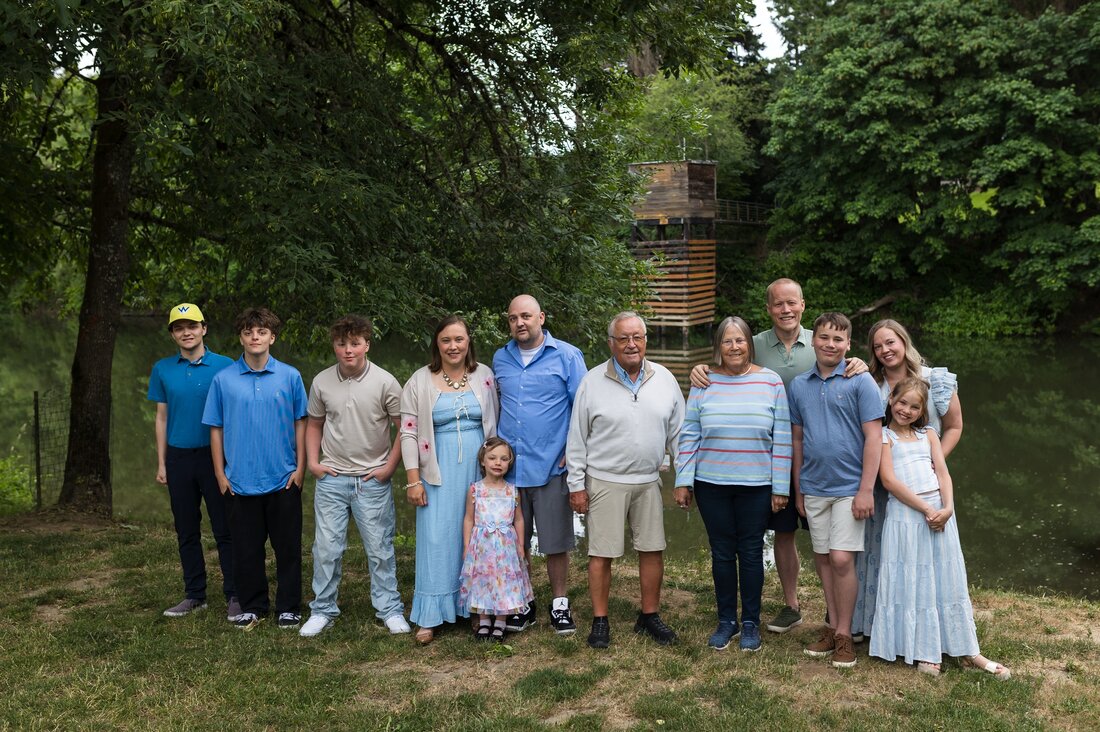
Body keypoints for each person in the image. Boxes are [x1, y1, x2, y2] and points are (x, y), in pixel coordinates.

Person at [689, 278, 866, 635]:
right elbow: (727, 363)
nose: (786, 310)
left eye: (792, 303)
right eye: (778, 304)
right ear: (768, 308)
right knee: (783, 533)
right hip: (772, 458)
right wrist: (700, 368)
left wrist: (860, 363)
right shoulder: (752, 344)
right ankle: (791, 605)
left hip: (821, 458)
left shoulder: (820, 342)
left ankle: (837, 612)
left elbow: (844, 366)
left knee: (833, 541)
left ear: (803, 305)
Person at [870, 378, 1010, 679]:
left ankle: (967, 649)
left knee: (947, 578)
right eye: (902, 402)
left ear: (922, 411)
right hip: (907, 515)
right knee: (915, 577)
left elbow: (943, 474)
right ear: (891, 400)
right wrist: (926, 509)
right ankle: (926, 649)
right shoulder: (883, 437)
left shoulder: (929, 434)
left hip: (940, 513)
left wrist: (947, 508)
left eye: (914, 406)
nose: (906, 410)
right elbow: (889, 481)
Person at [566, 312, 685, 649]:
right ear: (611, 344)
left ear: (646, 340)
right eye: (623, 338)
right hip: (605, 479)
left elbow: (680, 434)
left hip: (648, 481)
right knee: (601, 554)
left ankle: (649, 615)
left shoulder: (664, 378)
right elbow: (577, 438)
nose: (631, 344)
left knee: (652, 549)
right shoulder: (591, 382)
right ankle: (600, 620)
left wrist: (684, 478)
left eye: (638, 337)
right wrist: (576, 486)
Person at [674, 316, 791, 653]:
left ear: (749, 345)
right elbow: (690, 434)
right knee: (722, 552)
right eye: (727, 341)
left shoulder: (771, 382)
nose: (734, 346)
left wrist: (780, 487)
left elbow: (783, 437)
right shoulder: (704, 381)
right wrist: (683, 480)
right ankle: (727, 620)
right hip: (711, 483)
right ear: (718, 347)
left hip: (757, 484)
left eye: (740, 340)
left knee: (751, 552)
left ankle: (751, 622)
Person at [852, 319, 964, 642]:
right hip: (882, 485)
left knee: (921, 557)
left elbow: (954, 426)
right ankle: (872, 624)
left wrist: (932, 460)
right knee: (880, 553)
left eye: (890, 342)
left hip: (923, 485)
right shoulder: (869, 382)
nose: (885, 350)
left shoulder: (934, 380)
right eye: (877, 346)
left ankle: (927, 626)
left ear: (904, 341)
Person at [299, 315, 411, 638]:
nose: (348, 350)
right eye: (341, 344)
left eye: (355, 343)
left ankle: (389, 609)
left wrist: (389, 467)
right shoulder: (322, 381)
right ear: (334, 346)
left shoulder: (386, 382)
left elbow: (404, 427)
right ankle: (322, 609)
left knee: (379, 549)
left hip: (371, 480)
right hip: (332, 478)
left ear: (367, 345)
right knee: (326, 548)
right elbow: (314, 424)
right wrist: (313, 463)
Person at [202, 307, 308, 631]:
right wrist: (220, 474)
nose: (255, 337)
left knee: (288, 548)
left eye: (261, 332)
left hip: (283, 478)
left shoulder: (290, 376)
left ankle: (288, 606)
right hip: (239, 481)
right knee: (246, 551)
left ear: (272, 337)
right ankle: (253, 606)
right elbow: (216, 428)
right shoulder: (223, 380)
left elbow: (301, 423)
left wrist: (300, 468)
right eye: (248, 332)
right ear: (241, 338)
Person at [788, 312, 883, 668]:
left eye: (838, 339)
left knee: (842, 558)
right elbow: (798, 440)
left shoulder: (860, 381)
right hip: (814, 486)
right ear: (813, 340)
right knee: (824, 559)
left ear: (848, 344)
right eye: (824, 337)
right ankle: (831, 626)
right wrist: (798, 488)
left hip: (849, 487)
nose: (830, 344)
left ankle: (845, 634)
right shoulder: (799, 385)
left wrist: (866, 489)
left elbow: (874, 437)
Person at [401, 315, 499, 645]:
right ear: (437, 344)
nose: (453, 346)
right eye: (446, 340)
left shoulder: (485, 376)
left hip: (478, 472)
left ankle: (475, 608)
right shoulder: (420, 380)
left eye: (459, 339)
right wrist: (413, 479)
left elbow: (495, 424)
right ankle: (431, 613)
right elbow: (408, 433)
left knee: (477, 537)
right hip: (436, 472)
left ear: (469, 341)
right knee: (437, 538)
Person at [493, 294, 587, 635]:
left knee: (556, 541)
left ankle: (559, 604)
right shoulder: (500, 358)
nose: (520, 323)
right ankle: (524, 602)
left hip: (551, 466)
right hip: (510, 470)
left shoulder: (567, 356)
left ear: (541, 318)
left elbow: (584, 407)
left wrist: (574, 450)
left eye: (526, 316)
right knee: (515, 541)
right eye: (513, 318)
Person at [147, 303, 238, 620]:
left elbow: (235, 414)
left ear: (204, 329)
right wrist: (162, 462)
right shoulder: (162, 369)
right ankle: (195, 594)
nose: (186, 332)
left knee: (225, 528)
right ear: (173, 334)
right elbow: (162, 418)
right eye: (179, 328)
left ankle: (235, 594)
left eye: (192, 326)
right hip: (179, 458)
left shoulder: (226, 366)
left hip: (215, 458)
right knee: (186, 530)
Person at [459, 437, 535, 643]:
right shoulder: (475, 489)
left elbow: (518, 519)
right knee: (482, 581)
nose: (498, 462)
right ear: (482, 461)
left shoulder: (512, 490)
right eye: (492, 458)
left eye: (503, 459)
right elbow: (468, 518)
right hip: (482, 546)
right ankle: (484, 620)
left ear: (510, 462)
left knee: (504, 582)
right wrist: (467, 545)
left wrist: (520, 544)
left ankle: (501, 621)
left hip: (505, 547)